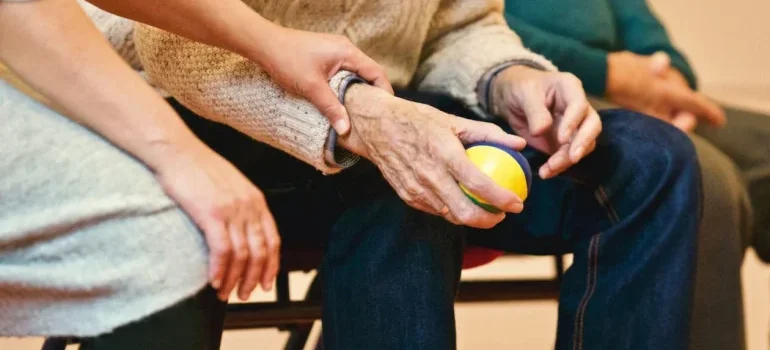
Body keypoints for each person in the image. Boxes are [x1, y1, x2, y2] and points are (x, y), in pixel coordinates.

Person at [132, 0, 703, 349]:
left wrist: (512, 79)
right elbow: (178, 46)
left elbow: (460, 22)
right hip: (195, 114)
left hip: (392, 107)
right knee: (407, 179)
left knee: (653, 162)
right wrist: (358, 113)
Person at [0, 0, 388, 348]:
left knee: (400, 184)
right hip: (140, 88)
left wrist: (274, 43)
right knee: (164, 240)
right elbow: (156, 41)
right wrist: (181, 155)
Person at [501, 1, 770, 348]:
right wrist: (608, 73)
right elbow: (463, 29)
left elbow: (637, 20)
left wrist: (670, 79)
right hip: (530, 93)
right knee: (699, 174)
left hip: (629, 92)